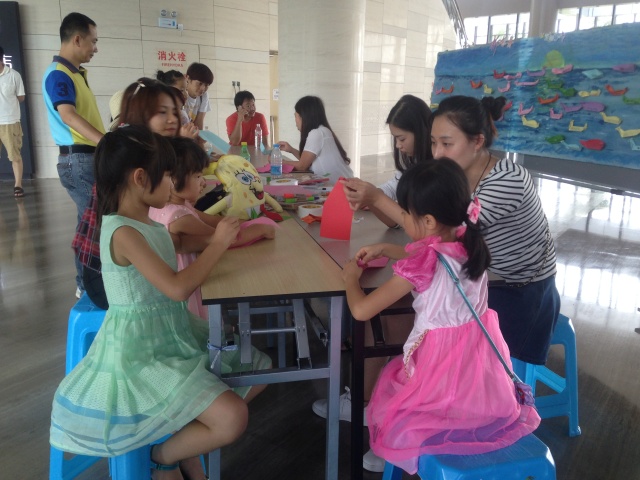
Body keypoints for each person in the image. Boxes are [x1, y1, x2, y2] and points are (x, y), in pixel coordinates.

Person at [50, 126, 271, 480]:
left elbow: (176, 247)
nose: (173, 183)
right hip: (140, 354)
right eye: (168, 175)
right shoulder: (122, 231)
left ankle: (181, 444)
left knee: (258, 370)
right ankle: (163, 457)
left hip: (170, 337)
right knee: (232, 417)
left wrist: (222, 238)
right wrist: (218, 244)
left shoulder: (149, 223)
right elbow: (177, 288)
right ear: (140, 178)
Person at [342, 159, 541, 475]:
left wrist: (350, 279)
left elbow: (361, 310)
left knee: (403, 402)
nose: (403, 219)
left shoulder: (423, 262)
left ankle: (406, 449)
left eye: (407, 214)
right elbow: (434, 257)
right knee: (437, 400)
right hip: (477, 359)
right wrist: (388, 249)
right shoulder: (466, 238)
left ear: (429, 221)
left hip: (439, 363)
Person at [430, 95, 560, 366]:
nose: (437, 154)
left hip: (521, 292)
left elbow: (447, 232)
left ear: (477, 141)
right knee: (432, 318)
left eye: (446, 144)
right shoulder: (457, 174)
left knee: (458, 350)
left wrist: (378, 201)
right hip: (487, 279)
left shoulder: (508, 180)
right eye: (433, 143)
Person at [73, 78, 196, 310]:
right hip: (103, 275)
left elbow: (167, 237)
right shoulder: (131, 159)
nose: (173, 119)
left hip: (123, 260)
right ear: (139, 115)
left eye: (175, 111)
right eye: (162, 112)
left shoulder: (145, 154)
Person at [149, 137, 276, 319]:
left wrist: (244, 221)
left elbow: (212, 220)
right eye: (197, 176)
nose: (203, 182)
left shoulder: (175, 206)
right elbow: (228, 239)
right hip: (189, 281)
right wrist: (262, 229)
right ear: (174, 180)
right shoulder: (179, 217)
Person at [42, 12, 105, 298]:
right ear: (77, 39)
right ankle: (87, 286)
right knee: (93, 224)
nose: (95, 48)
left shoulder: (75, 73)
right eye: (93, 41)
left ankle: (86, 284)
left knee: (90, 221)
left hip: (86, 158)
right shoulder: (59, 74)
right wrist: (105, 140)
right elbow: (67, 115)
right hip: (77, 160)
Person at [342, 94, 433, 227]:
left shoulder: (438, 172)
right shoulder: (412, 163)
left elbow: (418, 226)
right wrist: (368, 193)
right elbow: (393, 187)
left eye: (401, 139)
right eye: (395, 139)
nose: (398, 145)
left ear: (421, 132)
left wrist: (375, 197)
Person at [278, 95, 353, 184]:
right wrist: (291, 150)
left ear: (303, 116)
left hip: (338, 187)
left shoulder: (317, 133)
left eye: (295, 116)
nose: (295, 121)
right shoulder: (322, 130)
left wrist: (279, 162)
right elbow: (307, 161)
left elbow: (302, 166)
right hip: (340, 184)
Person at [0, 45, 26, 197]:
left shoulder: (14, 75)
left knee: (15, 155)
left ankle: (18, 185)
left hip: (10, 121)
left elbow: (21, 97)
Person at [184, 62, 214, 130]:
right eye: (200, 83)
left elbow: (199, 124)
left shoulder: (204, 96)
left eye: (206, 85)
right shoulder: (180, 94)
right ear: (188, 78)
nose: (203, 88)